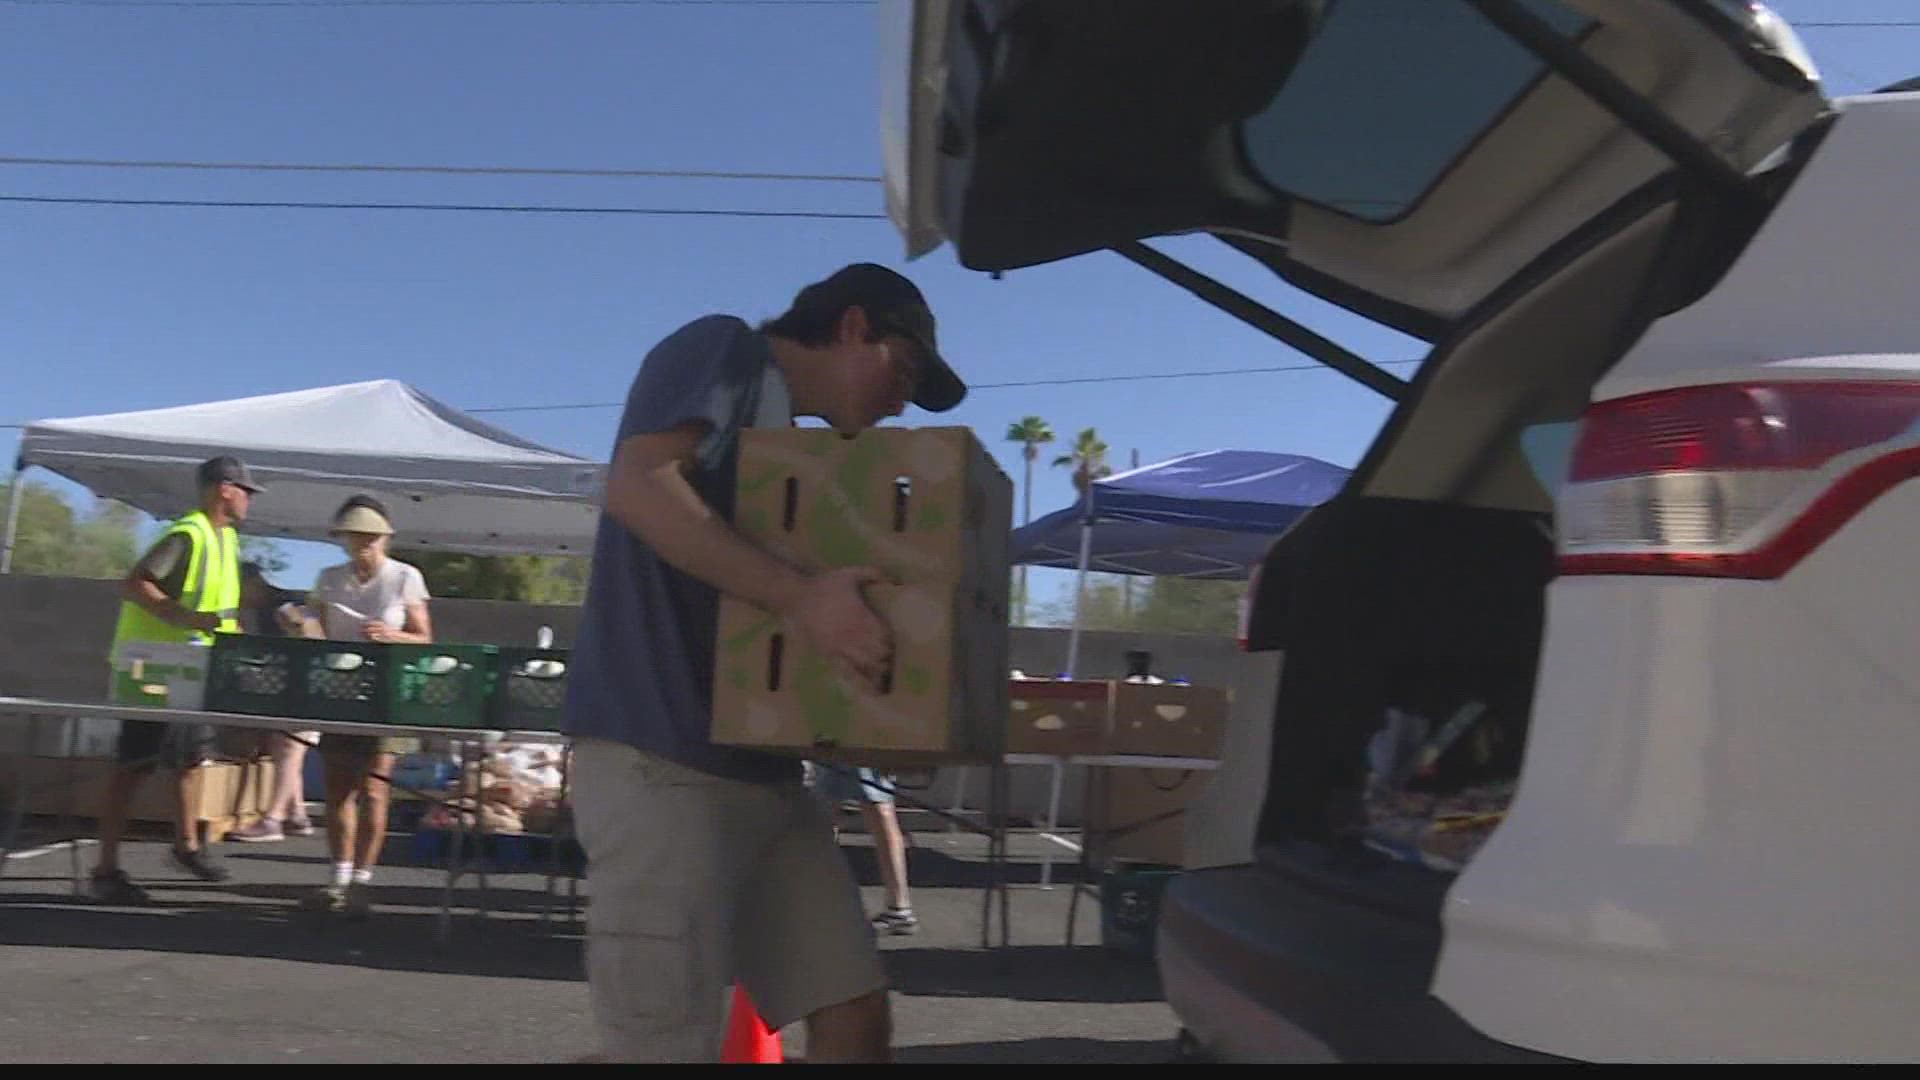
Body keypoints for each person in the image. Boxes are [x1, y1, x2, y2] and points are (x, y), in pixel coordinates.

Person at [562, 263, 967, 1063]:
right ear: (853, 326)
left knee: (852, 1011)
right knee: (665, 1043)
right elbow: (639, 487)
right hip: (658, 759)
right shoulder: (727, 352)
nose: (898, 403)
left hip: (768, 776)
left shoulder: (797, 461)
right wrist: (803, 598)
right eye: (903, 372)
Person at [89, 455, 261, 904]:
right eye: (245, 490)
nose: (248, 500)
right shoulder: (188, 534)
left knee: (189, 761)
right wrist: (184, 617)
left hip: (191, 668)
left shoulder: (225, 540)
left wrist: (230, 633)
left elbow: (218, 609)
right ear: (225, 489)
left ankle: (187, 846)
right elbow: (136, 583)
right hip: (152, 670)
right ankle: (105, 869)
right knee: (134, 767)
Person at [287, 495, 432, 918]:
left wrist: (392, 635)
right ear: (345, 540)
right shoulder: (330, 578)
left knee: (374, 787)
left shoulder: (405, 577)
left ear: (384, 539)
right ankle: (339, 877)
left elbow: (424, 638)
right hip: (339, 689)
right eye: (356, 538)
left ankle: (363, 882)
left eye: (371, 538)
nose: (363, 546)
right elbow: (315, 629)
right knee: (337, 789)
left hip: (388, 692)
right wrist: (299, 624)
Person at [227, 562, 317, 843]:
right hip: (284, 689)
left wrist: (298, 624)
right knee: (286, 752)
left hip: (304, 688)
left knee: (289, 748)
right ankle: (297, 813)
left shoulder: (284, 604)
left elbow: (312, 634)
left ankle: (273, 819)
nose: (239, 599)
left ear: (253, 583)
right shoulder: (259, 611)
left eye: (239, 590)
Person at [813, 765, 917, 935]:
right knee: (828, 807)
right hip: (844, 744)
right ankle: (898, 907)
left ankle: (899, 908)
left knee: (876, 806)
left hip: (854, 745)